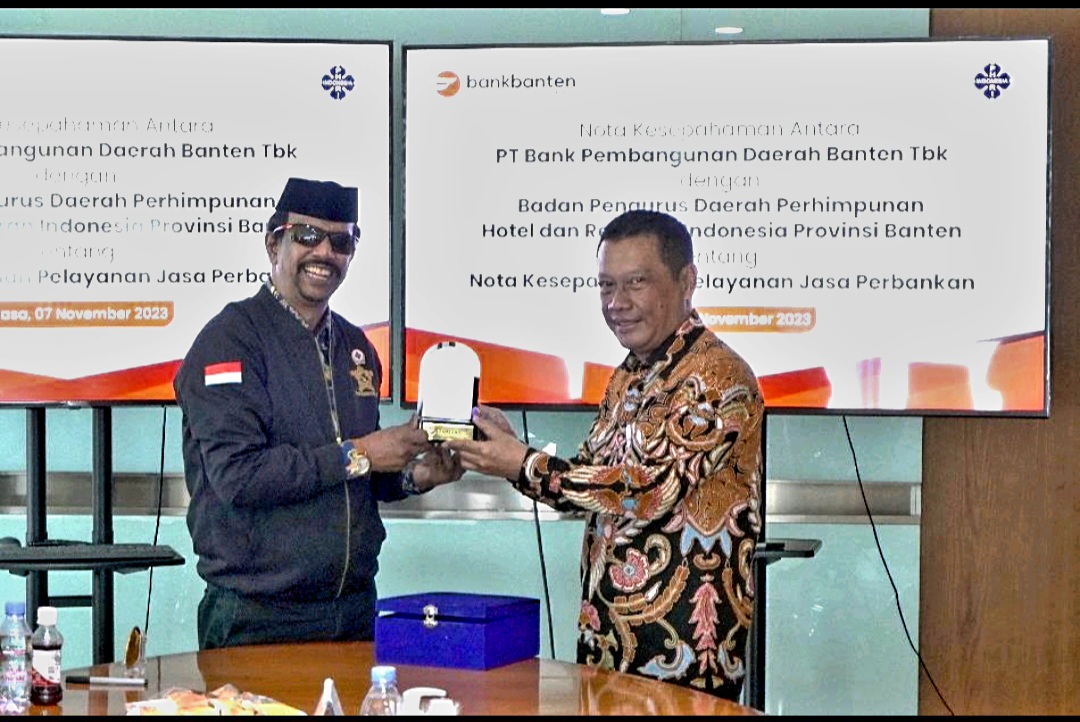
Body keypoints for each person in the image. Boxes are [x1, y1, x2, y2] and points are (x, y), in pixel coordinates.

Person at [446, 209, 764, 701]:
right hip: (608, 649)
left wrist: (524, 462)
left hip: (683, 657)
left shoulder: (717, 377)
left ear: (687, 281)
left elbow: (647, 491)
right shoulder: (629, 376)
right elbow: (588, 487)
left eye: (637, 282)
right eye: (606, 286)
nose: (617, 303)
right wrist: (505, 452)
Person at [174, 177, 463, 649]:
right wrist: (361, 452)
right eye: (307, 236)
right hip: (258, 617)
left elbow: (360, 478)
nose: (324, 252)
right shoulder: (230, 340)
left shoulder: (355, 346)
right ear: (274, 244)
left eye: (340, 242)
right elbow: (238, 477)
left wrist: (417, 476)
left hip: (353, 610)